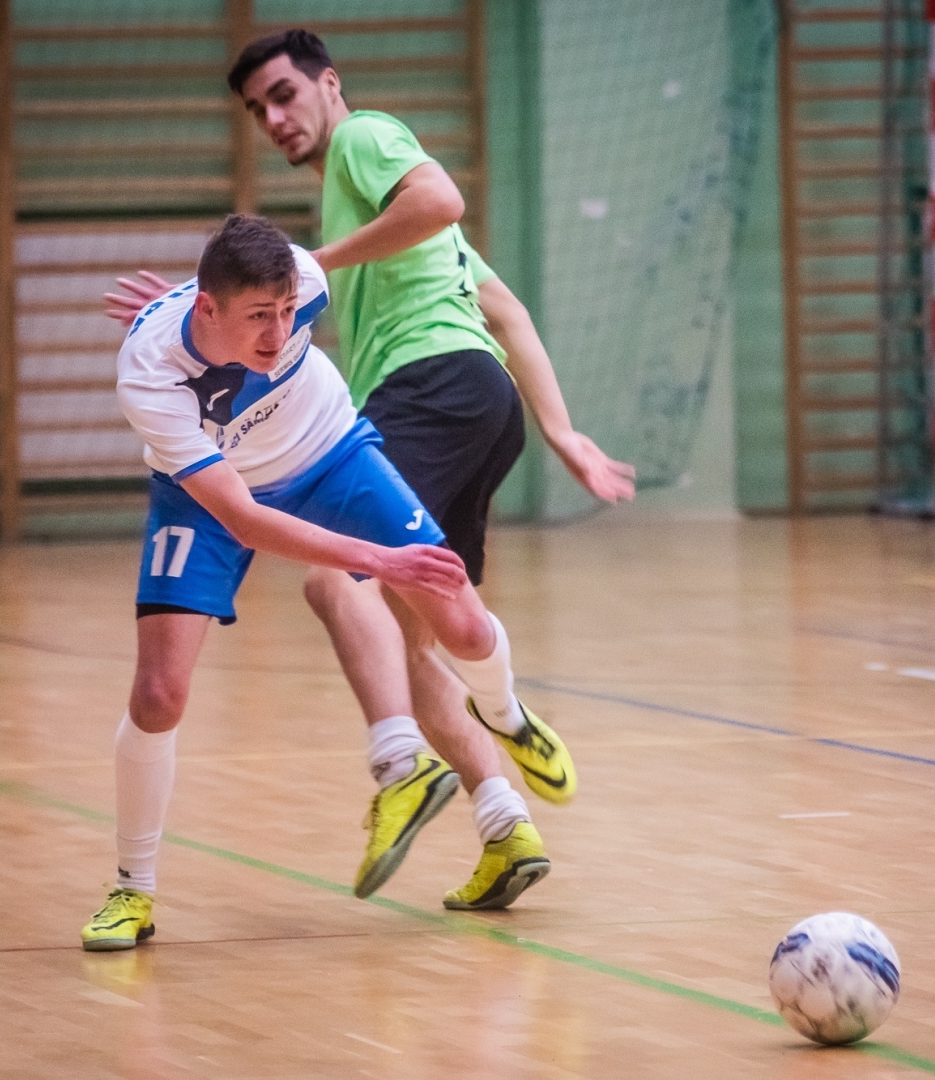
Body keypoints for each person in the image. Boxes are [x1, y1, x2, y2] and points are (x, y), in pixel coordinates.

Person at [103, 28, 633, 916]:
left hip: (426, 385)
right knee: (421, 622)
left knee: (339, 586)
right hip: (483, 395)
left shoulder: (364, 142)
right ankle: (505, 819)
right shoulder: (363, 230)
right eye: (257, 109)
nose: (274, 119)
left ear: (329, 85)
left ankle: (402, 762)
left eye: (283, 95)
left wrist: (315, 266)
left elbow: (442, 198)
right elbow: (507, 308)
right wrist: (562, 430)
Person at [82, 215, 558, 951]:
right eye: (255, 318)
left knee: (461, 622)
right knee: (158, 693)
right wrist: (382, 563)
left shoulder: (305, 279)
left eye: (282, 313)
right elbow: (244, 520)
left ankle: (506, 714)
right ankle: (132, 888)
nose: (276, 334)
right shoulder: (151, 375)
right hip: (211, 495)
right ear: (207, 310)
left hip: (332, 451)